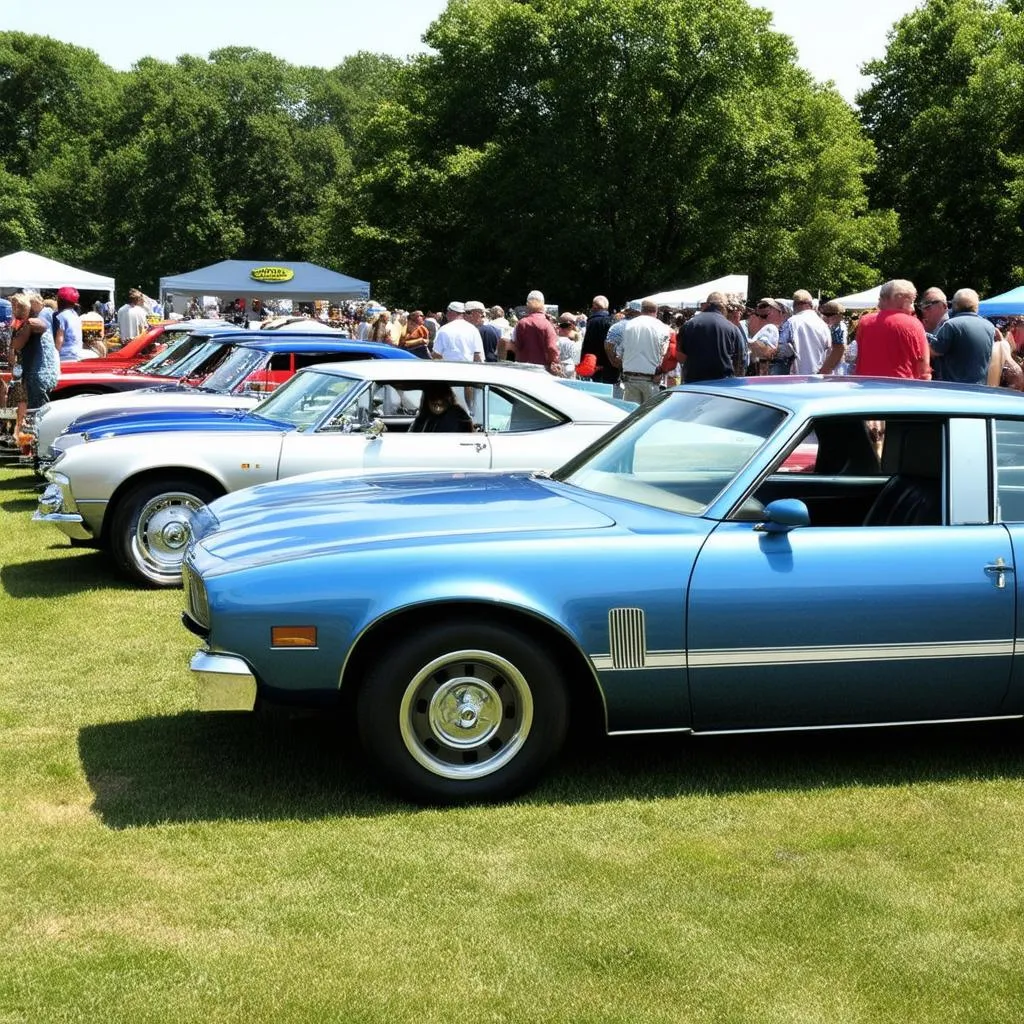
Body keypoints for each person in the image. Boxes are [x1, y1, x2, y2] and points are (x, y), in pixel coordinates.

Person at [853, 279, 931, 379]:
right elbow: (923, 366)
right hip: (901, 387)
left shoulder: (864, 321)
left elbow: (857, 356)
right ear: (902, 299)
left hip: (866, 385)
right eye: (912, 301)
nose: (913, 307)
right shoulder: (914, 324)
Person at [929, 288, 994, 385]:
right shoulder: (989, 326)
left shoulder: (951, 325)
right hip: (979, 386)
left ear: (955, 305)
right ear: (976, 306)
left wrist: (922, 338)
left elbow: (935, 351)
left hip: (953, 387)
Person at [678, 291, 745, 384]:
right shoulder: (733, 328)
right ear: (724, 307)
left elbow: (680, 357)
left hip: (693, 385)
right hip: (722, 385)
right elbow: (740, 361)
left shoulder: (689, 325)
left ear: (707, 305)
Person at [613, 298, 671, 402]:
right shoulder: (663, 327)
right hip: (651, 378)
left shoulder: (628, 325)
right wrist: (661, 371)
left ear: (641, 310)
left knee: (631, 413)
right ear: (656, 311)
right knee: (649, 414)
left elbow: (619, 353)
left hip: (629, 377)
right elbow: (665, 352)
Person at [500, 290, 560, 373]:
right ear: (543, 305)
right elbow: (552, 348)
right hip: (542, 370)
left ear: (527, 305)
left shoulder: (522, 323)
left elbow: (514, 345)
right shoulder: (547, 325)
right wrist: (554, 362)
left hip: (523, 369)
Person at [783, 289, 833, 374]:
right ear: (811, 304)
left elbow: (783, 349)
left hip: (796, 376)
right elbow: (829, 349)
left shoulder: (790, 322)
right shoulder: (822, 324)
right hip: (818, 375)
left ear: (794, 304)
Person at [578, 295, 616, 384]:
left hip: (594, 364)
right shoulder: (613, 321)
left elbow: (588, 345)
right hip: (610, 364)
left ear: (594, 306)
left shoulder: (592, 322)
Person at [410, 384, 475, 432]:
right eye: (432, 395)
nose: (437, 400)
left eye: (441, 394)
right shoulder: (423, 419)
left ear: (449, 397)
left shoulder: (458, 415)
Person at [53, 286, 84, 362]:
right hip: (77, 355)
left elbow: (60, 338)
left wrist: (54, 357)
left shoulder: (61, 316)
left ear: (60, 300)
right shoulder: (75, 315)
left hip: (64, 357)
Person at [817, 300, 848, 374]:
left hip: (834, 369)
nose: (823, 317)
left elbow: (838, 350)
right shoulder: (836, 326)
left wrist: (826, 369)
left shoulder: (837, 328)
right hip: (834, 367)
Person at [555, 313, 583, 378]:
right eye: (574, 322)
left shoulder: (556, 337)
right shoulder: (577, 337)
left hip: (562, 368)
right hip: (568, 368)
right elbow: (577, 358)